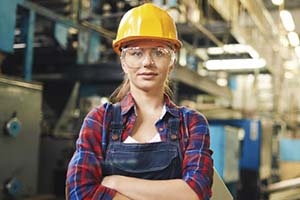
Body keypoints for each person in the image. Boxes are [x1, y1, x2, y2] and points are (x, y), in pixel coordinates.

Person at [66, 3, 213, 200]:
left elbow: (196, 192)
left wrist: (115, 182)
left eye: (159, 52)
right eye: (136, 53)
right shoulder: (101, 119)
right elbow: (79, 193)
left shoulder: (192, 123)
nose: (147, 62)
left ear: (172, 63)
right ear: (123, 62)